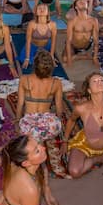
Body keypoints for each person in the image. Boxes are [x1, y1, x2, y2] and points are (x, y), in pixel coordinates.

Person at [16, 50, 66, 179]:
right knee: (53, 125)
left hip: (29, 126)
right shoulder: (56, 83)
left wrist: (17, 122)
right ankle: (41, 144)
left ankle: (36, 148)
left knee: (29, 132)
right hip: (48, 126)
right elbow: (59, 108)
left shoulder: (24, 79)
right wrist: (60, 122)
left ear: (34, 65)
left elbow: (20, 104)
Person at [62, 73, 103, 178]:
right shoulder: (81, 108)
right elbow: (71, 121)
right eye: (95, 81)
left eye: (102, 80)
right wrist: (65, 141)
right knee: (74, 171)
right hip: (85, 145)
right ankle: (98, 159)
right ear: (89, 90)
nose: (99, 83)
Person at [63, 0, 100, 66]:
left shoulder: (94, 21)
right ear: (76, 7)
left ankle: (83, 55)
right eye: (80, 2)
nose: (83, 3)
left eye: (84, 2)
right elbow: (68, 41)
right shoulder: (72, 22)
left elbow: (96, 40)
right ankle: (81, 57)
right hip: (74, 46)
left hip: (87, 45)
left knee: (96, 48)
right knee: (65, 59)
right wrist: (69, 60)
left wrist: (95, 58)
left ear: (87, 5)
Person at [22, 3, 58, 70]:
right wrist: (27, 58)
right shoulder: (31, 24)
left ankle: (42, 53)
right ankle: (36, 54)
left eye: (44, 8)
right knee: (26, 61)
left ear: (48, 12)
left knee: (46, 62)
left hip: (46, 46)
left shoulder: (53, 24)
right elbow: (28, 41)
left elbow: (53, 41)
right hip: (33, 45)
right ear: (36, 12)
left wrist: (52, 56)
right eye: (39, 8)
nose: (42, 10)